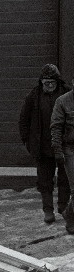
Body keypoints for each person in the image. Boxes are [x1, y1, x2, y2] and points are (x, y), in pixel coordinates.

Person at [19, 64, 70, 223]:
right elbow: (24, 121)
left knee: (65, 178)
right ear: (41, 82)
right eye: (46, 82)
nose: (49, 86)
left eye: (52, 83)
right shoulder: (33, 96)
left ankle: (63, 208)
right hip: (42, 146)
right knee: (44, 180)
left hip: (64, 144)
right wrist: (27, 141)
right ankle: (48, 210)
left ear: (58, 82)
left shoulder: (67, 94)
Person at [51, 72, 74, 232]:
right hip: (69, 149)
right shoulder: (63, 101)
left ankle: (68, 213)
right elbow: (56, 127)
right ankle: (71, 219)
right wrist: (58, 150)